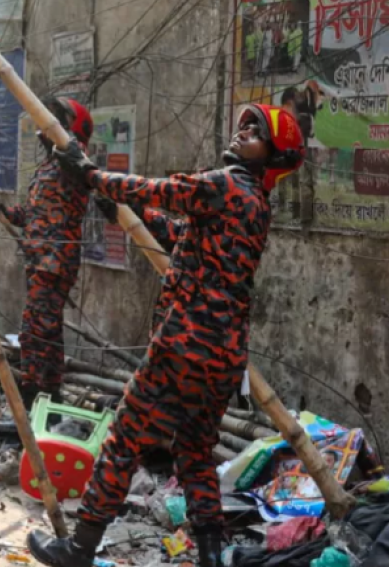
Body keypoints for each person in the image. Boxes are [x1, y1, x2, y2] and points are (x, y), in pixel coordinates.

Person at [27, 104, 306, 567]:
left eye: (256, 133)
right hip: (223, 358)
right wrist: (124, 209)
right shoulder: (255, 204)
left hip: (182, 347)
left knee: (122, 441)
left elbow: (156, 189)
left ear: (272, 157)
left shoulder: (222, 184)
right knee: (195, 453)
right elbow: (180, 232)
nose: (243, 133)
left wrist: (89, 173)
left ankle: (79, 549)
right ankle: (212, 557)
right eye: (244, 125)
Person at [0, 96, 92, 403]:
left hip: (54, 262)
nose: (43, 128)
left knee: (33, 329)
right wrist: (1, 210)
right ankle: (51, 392)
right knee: (49, 329)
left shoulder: (73, 157)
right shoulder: (49, 166)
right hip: (40, 259)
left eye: (53, 122)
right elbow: (32, 213)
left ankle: (30, 393)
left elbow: (87, 172)